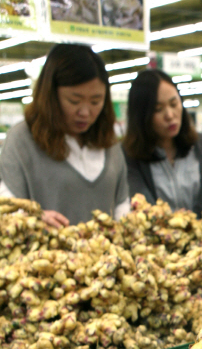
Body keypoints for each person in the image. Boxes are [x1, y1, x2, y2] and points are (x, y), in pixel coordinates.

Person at [0, 43, 128, 228]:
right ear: (50, 96)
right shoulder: (22, 140)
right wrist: (32, 219)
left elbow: (122, 205)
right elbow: (6, 208)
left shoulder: (108, 141)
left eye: (96, 101)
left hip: (107, 255)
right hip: (44, 254)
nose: (85, 112)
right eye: (74, 100)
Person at [123, 69, 202, 218]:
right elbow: (143, 208)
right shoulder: (129, 156)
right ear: (141, 115)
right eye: (158, 109)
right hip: (155, 240)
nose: (170, 115)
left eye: (174, 103)